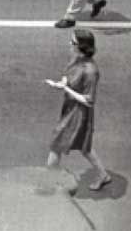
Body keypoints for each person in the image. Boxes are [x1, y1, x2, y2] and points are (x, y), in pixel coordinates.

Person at [45, 28, 111, 192]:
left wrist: (66, 90)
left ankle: (49, 180)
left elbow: (89, 101)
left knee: (56, 144)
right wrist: (61, 83)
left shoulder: (90, 71)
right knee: (84, 146)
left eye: (73, 42)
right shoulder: (76, 59)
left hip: (78, 114)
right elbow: (67, 76)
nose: (70, 44)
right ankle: (103, 174)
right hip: (70, 108)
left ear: (81, 47)